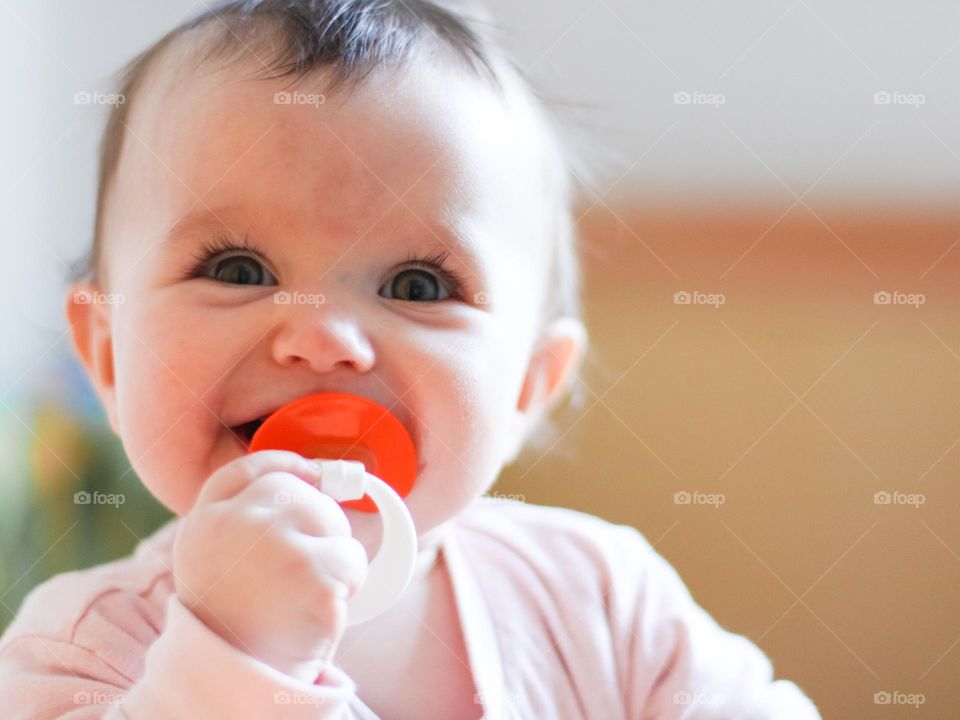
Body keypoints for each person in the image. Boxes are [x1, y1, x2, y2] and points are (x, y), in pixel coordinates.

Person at [0, 1, 820, 717]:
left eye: (418, 283)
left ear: (529, 386)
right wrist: (233, 663)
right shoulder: (80, 649)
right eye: (238, 270)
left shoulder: (601, 602)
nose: (322, 338)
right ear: (107, 357)